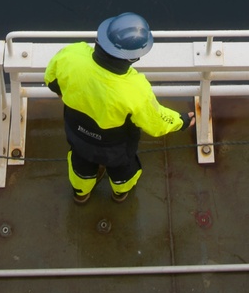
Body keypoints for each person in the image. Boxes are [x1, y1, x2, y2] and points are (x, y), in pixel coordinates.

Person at [44, 12, 195, 203]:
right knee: (122, 169)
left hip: (77, 133)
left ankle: (81, 195)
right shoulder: (136, 89)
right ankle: (120, 194)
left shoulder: (71, 55)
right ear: (133, 58)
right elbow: (155, 122)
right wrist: (181, 121)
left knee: (80, 165)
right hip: (114, 145)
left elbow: (51, 80)